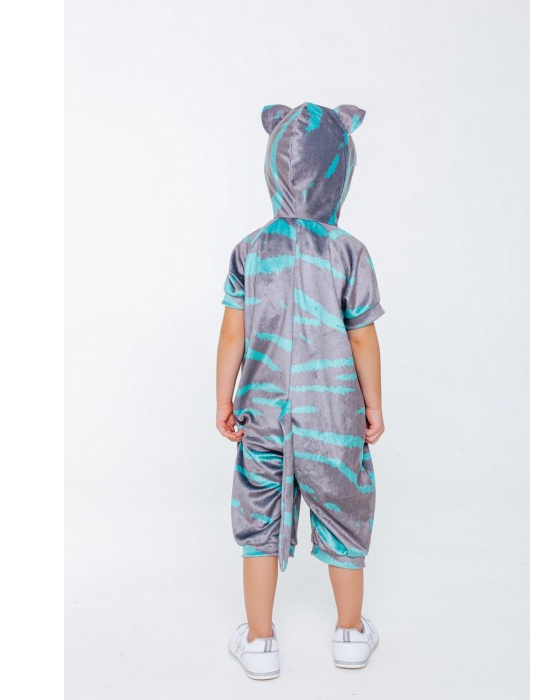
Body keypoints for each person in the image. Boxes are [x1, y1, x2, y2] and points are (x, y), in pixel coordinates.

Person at [216, 102, 384, 680]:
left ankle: (260, 642)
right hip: (333, 415)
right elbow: (361, 337)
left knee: (260, 520)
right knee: (343, 512)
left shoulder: (250, 249)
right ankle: (350, 635)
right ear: (340, 171)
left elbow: (232, 333)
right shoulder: (348, 251)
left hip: (263, 411)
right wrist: (373, 406)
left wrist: (223, 400)